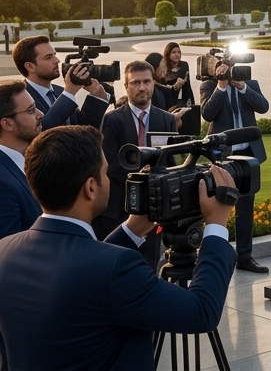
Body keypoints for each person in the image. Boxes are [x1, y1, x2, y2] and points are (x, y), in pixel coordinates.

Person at [0, 125, 236, 370]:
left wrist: (132, 229)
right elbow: (201, 312)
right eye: (105, 173)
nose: (108, 180)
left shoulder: (4, 251)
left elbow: (81, 271)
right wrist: (217, 225)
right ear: (90, 187)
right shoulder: (116, 269)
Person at [96, 61, 178, 266]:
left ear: (153, 84)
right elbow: (111, 165)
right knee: (116, 266)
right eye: (135, 83)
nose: (142, 87)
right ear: (126, 86)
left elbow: (169, 162)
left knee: (148, 266)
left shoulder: (167, 120)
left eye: (147, 82)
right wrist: (144, 182)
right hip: (119, 210)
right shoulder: (112, 120)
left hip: (152, 209)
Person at [201, 58, 271, 273]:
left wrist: (242, 87)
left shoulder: (250, 83)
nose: (229, 72)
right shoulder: (209, 86)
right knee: (215, 207)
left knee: (245, 209)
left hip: (247, 154)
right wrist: (221, 87)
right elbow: (207, 113)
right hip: (223, 156)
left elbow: (263, 106)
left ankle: (245, 257)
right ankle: (211, 259)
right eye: (223, 69)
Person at [12, 35, 109, 129]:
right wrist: (70, 92)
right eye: (48, 57)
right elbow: (41, 132)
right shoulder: (20, 98)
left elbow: (82, 129)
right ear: (30, 66)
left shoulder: (60, 92)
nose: (57, 60)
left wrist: (98, 97)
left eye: (54, 55)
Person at [0, 82, 41, 239]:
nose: (40, 114)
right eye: (31, 110)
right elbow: (9, 249)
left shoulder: (29, 162)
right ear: (7, 124)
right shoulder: (3, 182)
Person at [156, 42, 198, 137]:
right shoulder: (162, 67)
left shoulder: (184, 65)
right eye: (173, 52)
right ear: (168, 53)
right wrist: (173, 87)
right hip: (165, 101)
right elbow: (159, 86)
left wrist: (191, 105)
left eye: (179, 52)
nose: (177, 55)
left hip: (177, 101)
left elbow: (187, 87)